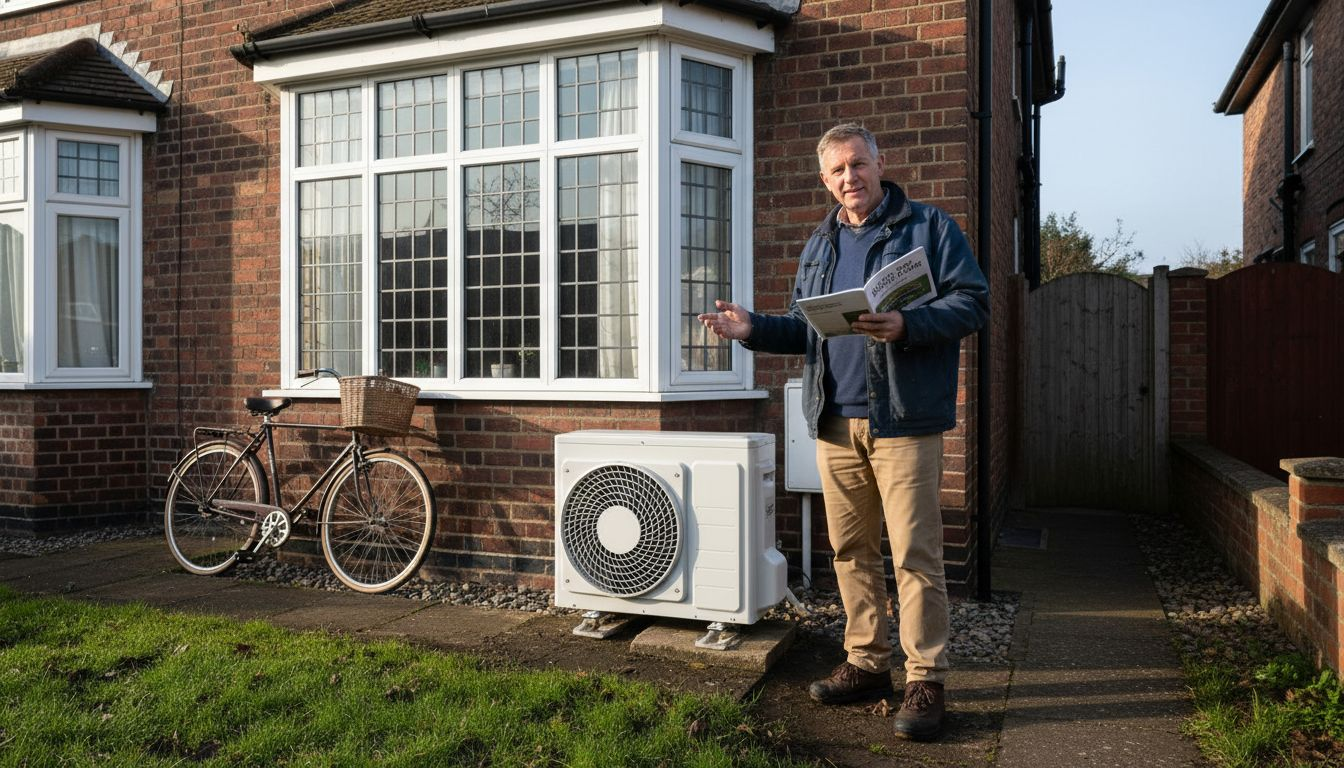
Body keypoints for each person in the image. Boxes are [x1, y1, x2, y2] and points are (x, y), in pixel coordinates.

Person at [698, 123, 988, 742]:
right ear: (825, 180)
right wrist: (751, 328)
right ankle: (865, 662)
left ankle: (927, 678)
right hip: (833, 421)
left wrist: (907, 322)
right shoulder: (819, 245)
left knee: (915, 554)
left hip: (904, 420)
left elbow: (974, 303)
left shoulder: (929, 228)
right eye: (836, 171)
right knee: (851, 552)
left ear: (879, 162)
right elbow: (809, 330)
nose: (849, 178)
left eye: (857, 164)